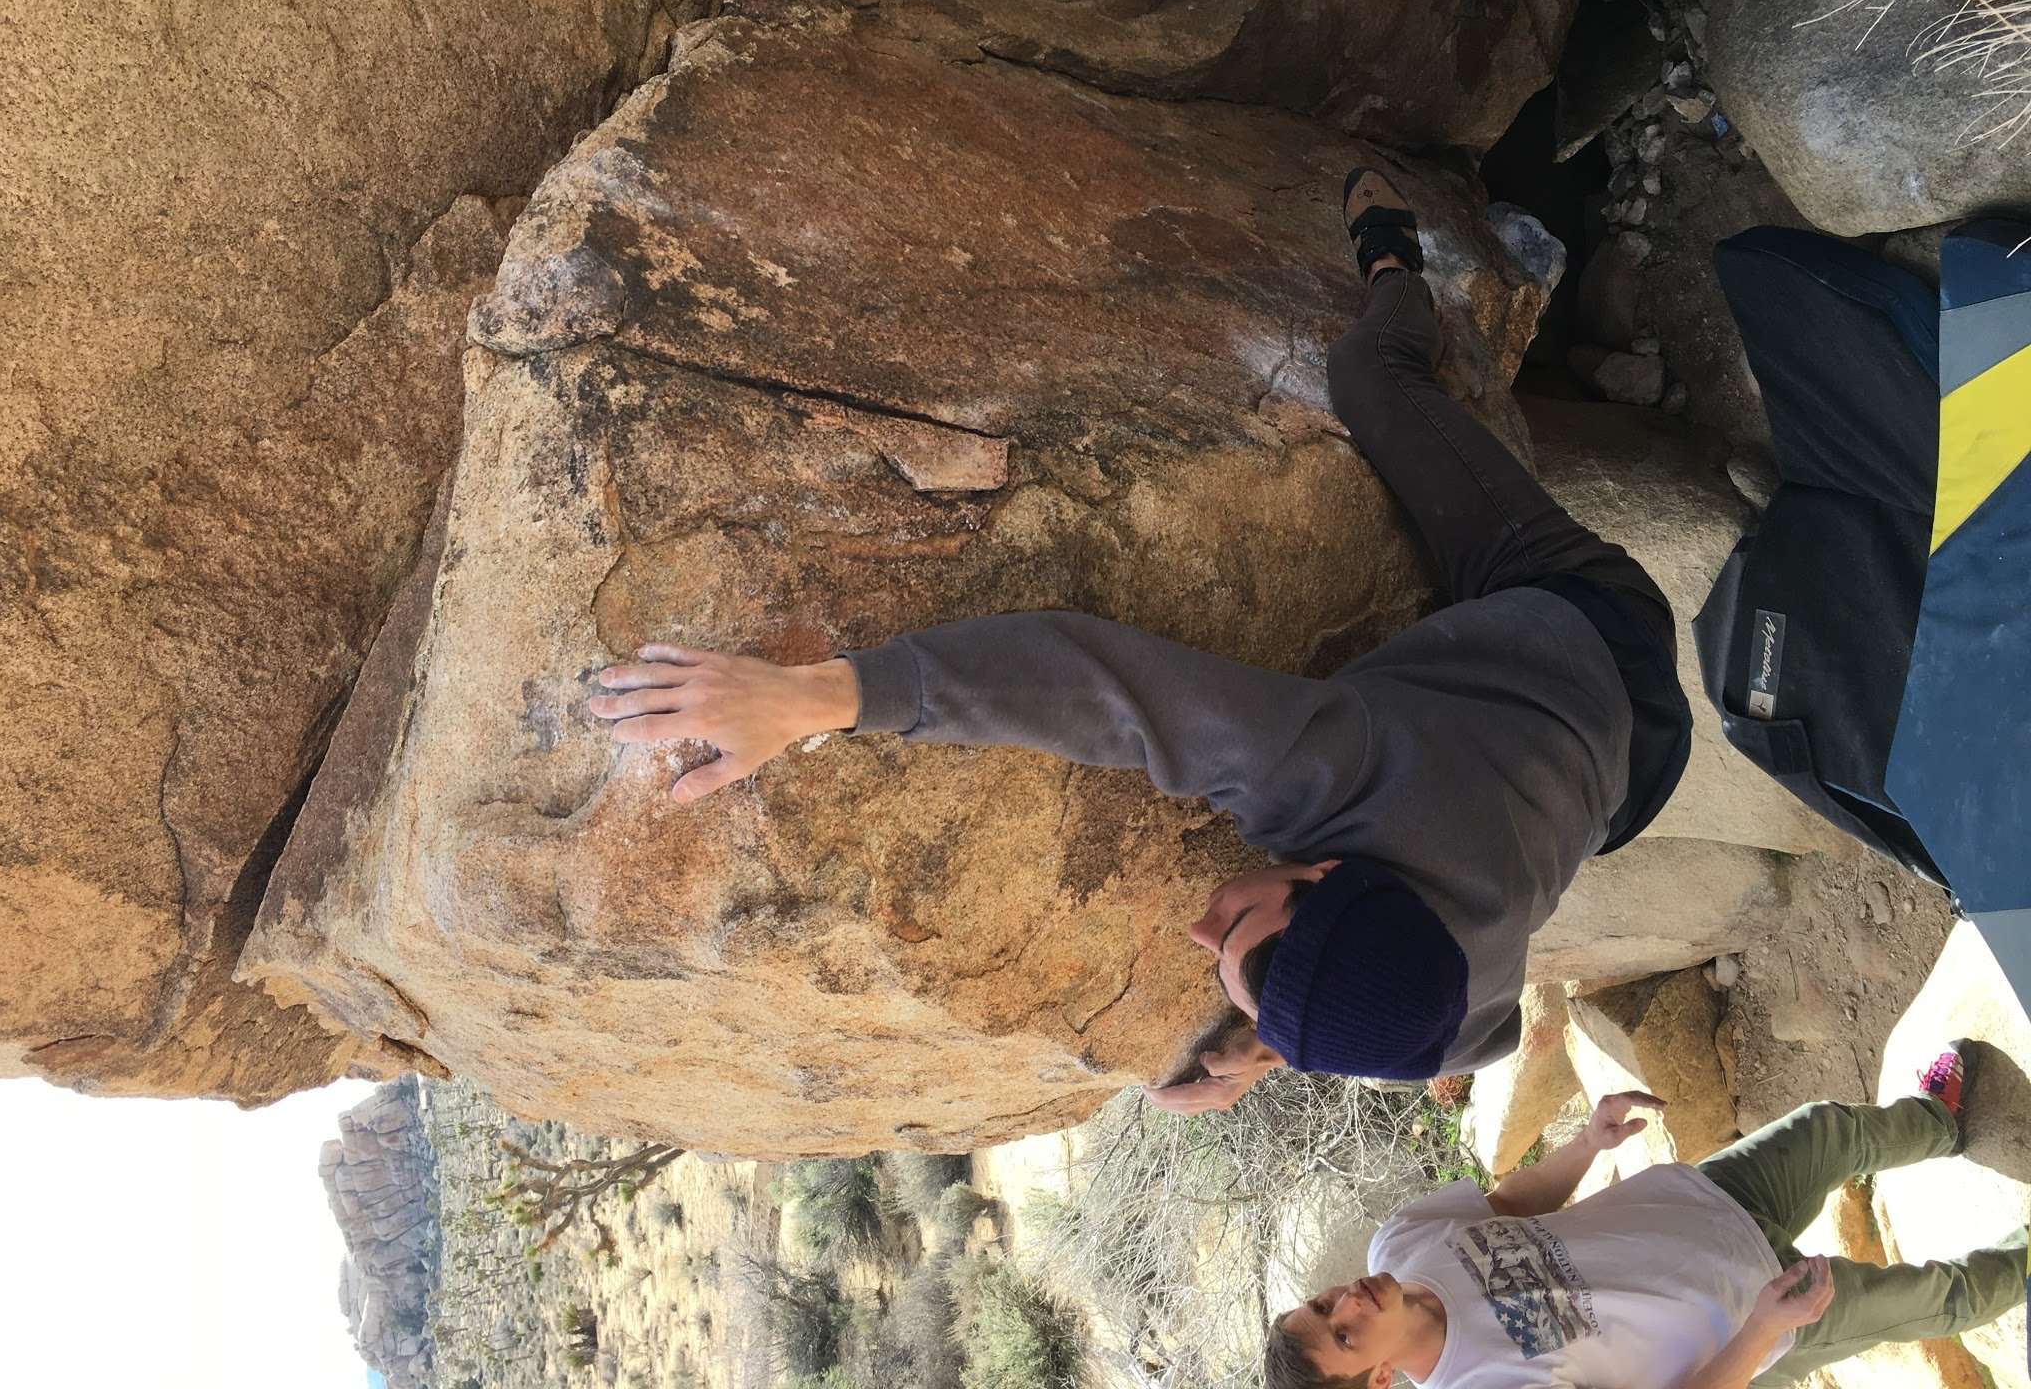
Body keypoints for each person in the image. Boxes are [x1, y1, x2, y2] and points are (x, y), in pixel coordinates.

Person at [587, 166, 1692, 1110]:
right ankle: (1400, 275)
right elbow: (1096, 687)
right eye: (1239, 930)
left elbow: (1431, 1039)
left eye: (1227, 965)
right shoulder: (1328, 772)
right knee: (1369, 378)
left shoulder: (1448, 1002)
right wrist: (817, 698)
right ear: (1321, 865)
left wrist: (1278, 1037)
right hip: (1577, 621)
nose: (1203, 927)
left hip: (1615, 791)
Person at [1266, 1042, 2025, 1389]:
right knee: (1941, 1295)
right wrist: (1763, 1327)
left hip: (1698, 1201)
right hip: (1752, 1313)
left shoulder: (1399, 1241)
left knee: (1833, 1128)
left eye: (1320, 1305)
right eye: (1344, 1337)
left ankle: (1937, 1122)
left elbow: (1502, 1206)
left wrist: (1587, 1144)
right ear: (1380, 1379)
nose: (1346, 1304)